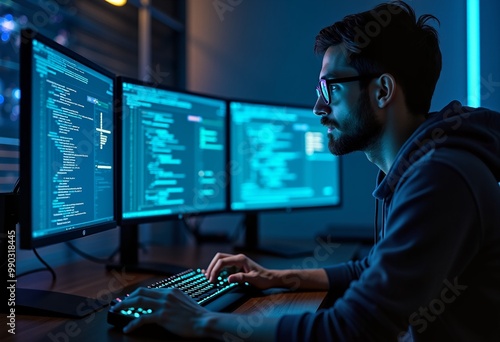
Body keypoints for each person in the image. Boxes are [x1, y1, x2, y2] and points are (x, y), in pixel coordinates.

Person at [111, 1, 500, 340]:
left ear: (382, 91)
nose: (317, 107)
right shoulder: (418, 167)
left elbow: (352, 330)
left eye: (330, 89)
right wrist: (279, 278)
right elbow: (377, 267)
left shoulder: (440, 177)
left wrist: (201, 322)